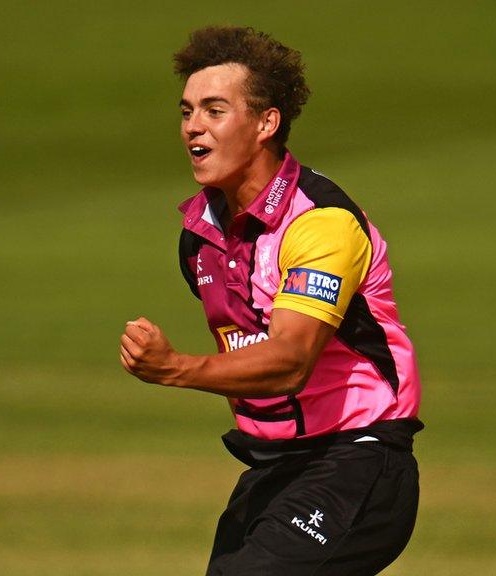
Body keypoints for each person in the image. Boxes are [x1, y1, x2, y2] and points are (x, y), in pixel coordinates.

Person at [119, 25, 423, 576]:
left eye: (214, 110)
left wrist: (177, 368)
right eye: (186, 110)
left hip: (358, 459)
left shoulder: (319, 223)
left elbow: (289, 360)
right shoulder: (200, 235)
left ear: (266, 122)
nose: (193, 127)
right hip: (273, 466)